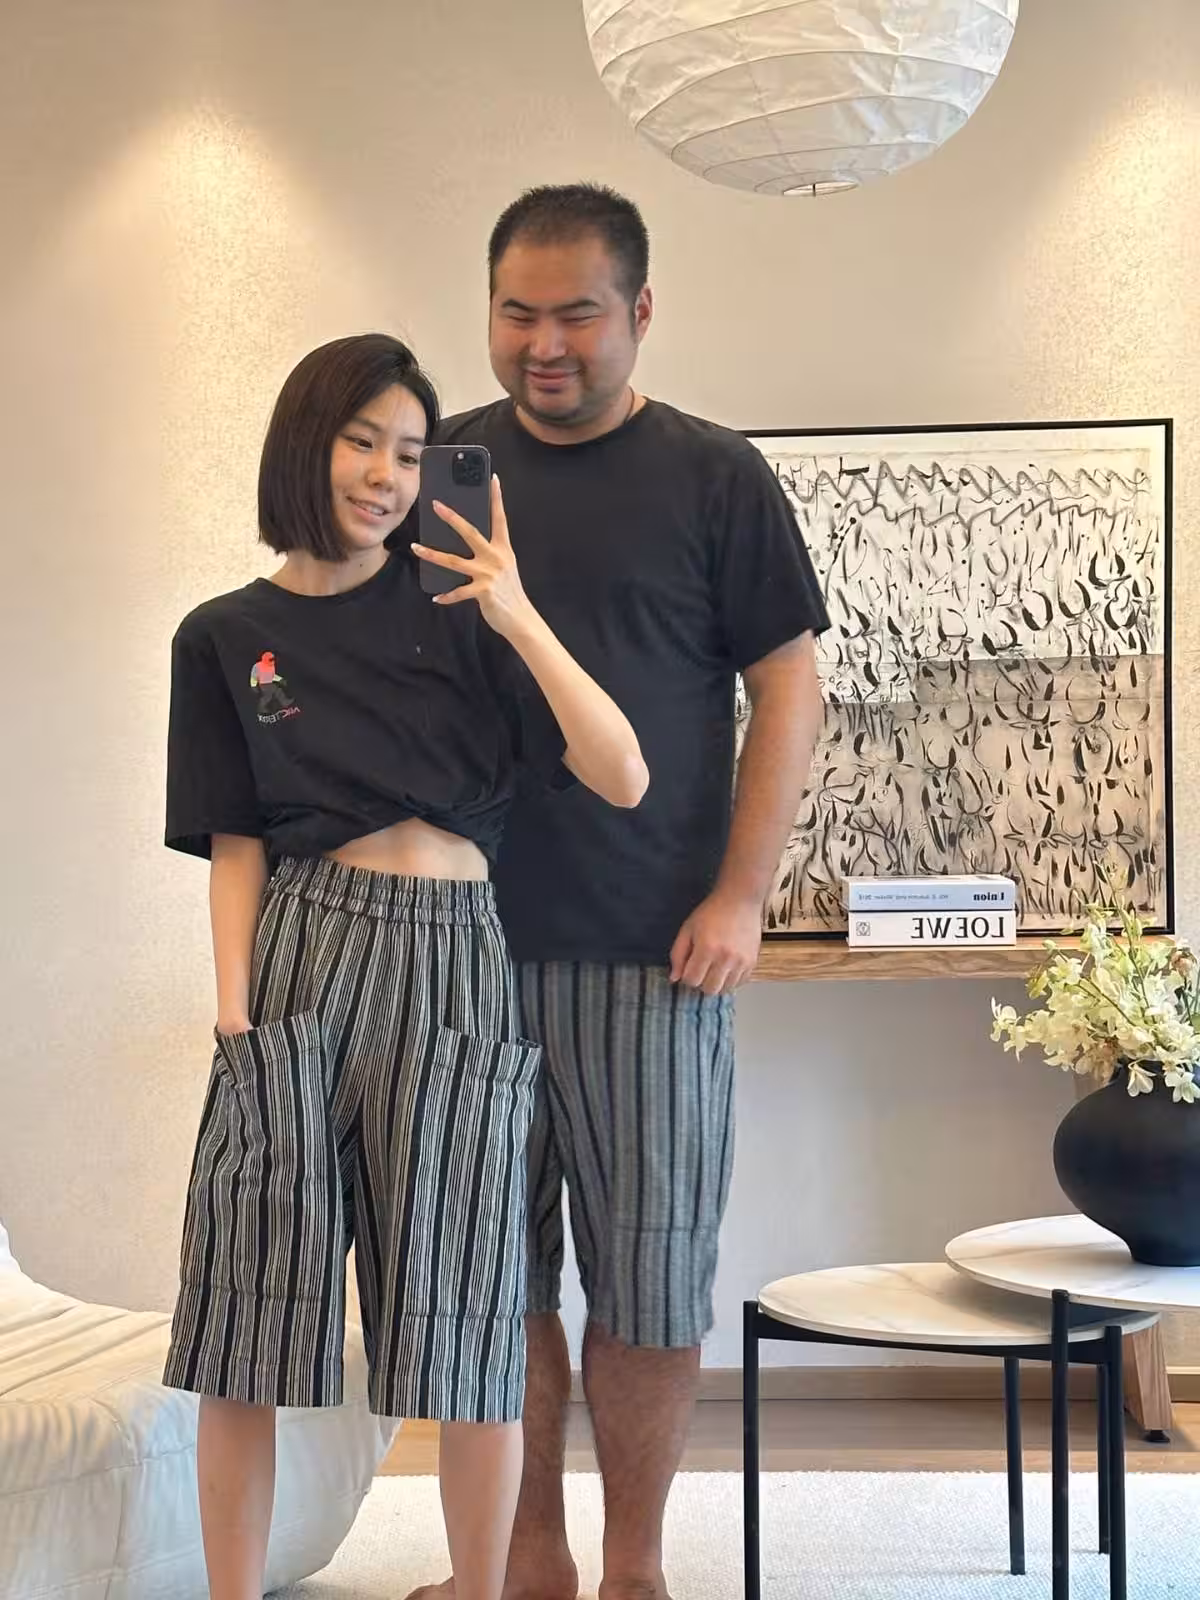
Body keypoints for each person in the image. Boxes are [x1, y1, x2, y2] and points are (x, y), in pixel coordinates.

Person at [161, 332, 647, 1600]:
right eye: (362, 441)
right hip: (304, 957)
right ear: (305, 442)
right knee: (247, 1309)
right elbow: (235, 842)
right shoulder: (223, 635)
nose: (386, 474)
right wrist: (236, 1019)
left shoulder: (463, 610)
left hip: (455, 964)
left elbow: (622, 772)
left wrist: (517, 611)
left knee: (472, 1312)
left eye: (413, 452)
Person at [406, 186, 829, 1600]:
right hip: (455, 950)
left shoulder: (716, 476)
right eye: (516, 311)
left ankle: (635, 1570)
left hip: (654, 951)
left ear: (640, 311)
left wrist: (744, 894)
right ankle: (530, 1559)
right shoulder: (438, 469)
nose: (544, 343)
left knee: (649, 1280)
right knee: (491, 1281)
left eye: (577, 313)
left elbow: (789, 687)